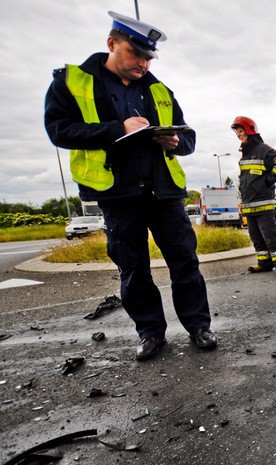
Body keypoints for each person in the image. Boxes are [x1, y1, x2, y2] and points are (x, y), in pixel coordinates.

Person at [44, 11, 217, 362]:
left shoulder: (158, 89)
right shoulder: (73, 82)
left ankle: (198, 326)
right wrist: (116, 129)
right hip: (117, 194)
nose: (142, 63)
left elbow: (189, 137)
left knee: (185, 261)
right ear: (112, 43)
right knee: (133, 269)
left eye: (148, 57)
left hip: (163, 191)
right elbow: (58, 130)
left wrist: (175, 143)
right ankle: (151, 333)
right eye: (135, 54)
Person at [231, 116, 276, 275]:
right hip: (249, 205)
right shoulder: (245, 153)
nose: (238, 134)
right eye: (237, 132)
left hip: (263, 203)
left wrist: (269, 180)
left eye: (241, 131)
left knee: (270, 235)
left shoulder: (263, 150)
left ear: (250, 130)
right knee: (256, 237)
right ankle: (264, 263)